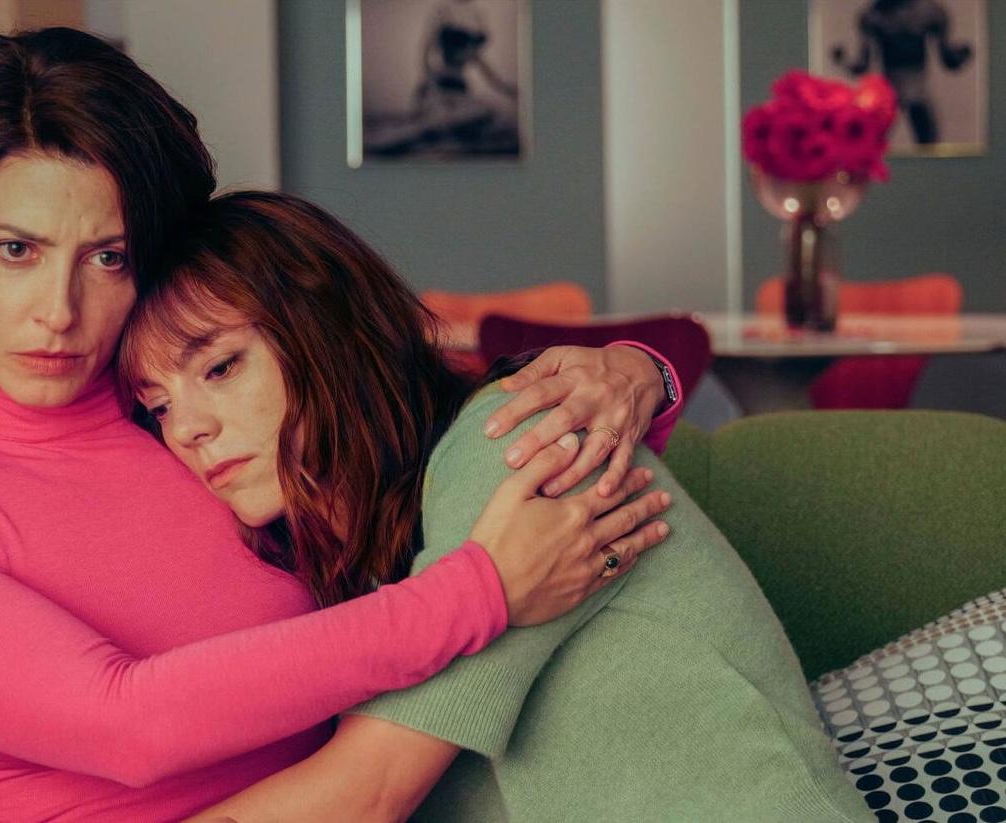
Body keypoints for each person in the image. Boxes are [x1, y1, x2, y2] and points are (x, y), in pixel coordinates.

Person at [0, 28, 681, 821]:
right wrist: (484, 592)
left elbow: (429, 404)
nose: (59, 311)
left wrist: (636, 371)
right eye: (16, 250)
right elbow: (126, 725)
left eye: (108, 257)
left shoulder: (197, 409)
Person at [121, 191, 874, 822]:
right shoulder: (349, 562)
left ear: (324, 332)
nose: (187, 430)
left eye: (220, 367)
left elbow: (369, 792)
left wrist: (640, 370)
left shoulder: (515, 446)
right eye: (158, 406)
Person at [832, 0, 972, 145]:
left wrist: (843, 60)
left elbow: (948, 59)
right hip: (896, 90)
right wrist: (843, 61)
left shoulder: (927, 12)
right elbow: (949, 60)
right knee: (873, 144)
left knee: (929, 148)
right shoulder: (875, 15)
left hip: (909, 88)